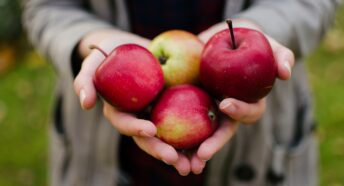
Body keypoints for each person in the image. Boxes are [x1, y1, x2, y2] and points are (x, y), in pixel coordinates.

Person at [23, 0, 338, 185]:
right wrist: (90, 39)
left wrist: (256, 26)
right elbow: (46, 6)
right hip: (100, 154)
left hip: (261, 149)